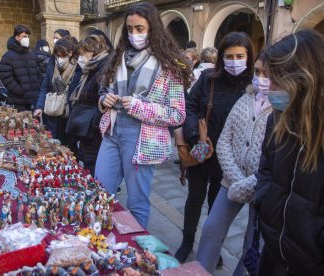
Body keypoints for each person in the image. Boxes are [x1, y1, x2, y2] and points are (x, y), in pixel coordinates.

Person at [95, 2, 190, 228]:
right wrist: (103, 101)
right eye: (129, 29)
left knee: (137, 201)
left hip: (142, 138)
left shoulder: (170, 66)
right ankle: (102, 240)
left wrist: (138, 106)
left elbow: (178, 115)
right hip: (112, 130)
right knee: (100, 191)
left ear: (153, 29)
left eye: (140, 28)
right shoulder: (118, 58)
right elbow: (104, 92)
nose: (134, 34)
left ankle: (135, 255)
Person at [176, 32, 254, 264]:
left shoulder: (253, 84)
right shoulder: (209, 77)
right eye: (229, 56)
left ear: (248, 57)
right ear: (221, 57)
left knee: (216, 204)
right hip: (201, 150)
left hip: (229, 158)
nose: (234, 61)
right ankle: (187, 242)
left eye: (240, 55)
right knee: (194, 198)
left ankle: (212, 247)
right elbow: (189, 106)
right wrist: (193, 136)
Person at [254, 29, 324, 276]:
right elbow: (266, 168)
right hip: (273, 252)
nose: (267, 86)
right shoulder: (279, 118)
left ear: (303, 79)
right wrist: (263, 201)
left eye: (275, 78)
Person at [195, 52, 272, 275]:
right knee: (211, 229)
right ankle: (200, 270)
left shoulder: (282, 108)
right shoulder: (244, 100)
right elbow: (223, 142)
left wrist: (251, 184)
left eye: (267, 73)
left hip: (262, 188)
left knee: (253, 243)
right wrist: (237, 179)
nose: (261, 78)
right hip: (232, 180)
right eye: (257, 72)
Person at [66, 34, 111, 175]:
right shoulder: (92, 68)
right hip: (88, 127)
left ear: (92, 51)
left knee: (92, 164)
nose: (81, 58)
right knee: (87, 160)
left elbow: (104, 100)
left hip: (93, 129)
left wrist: (93, 124)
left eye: (83, 54)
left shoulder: (104, 69)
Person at [34, 36, 82, 146]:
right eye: (57, 55)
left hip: (68, 115)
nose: (59, 58)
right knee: (53, 144)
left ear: (70, 53)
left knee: (69, 147)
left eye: (62, 55)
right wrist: (39, 107)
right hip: (51, 113)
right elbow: (45, 87)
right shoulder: (52, 65)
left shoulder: (78, 68)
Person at [0, 24, 40, 112]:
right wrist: (20, 91)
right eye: (24, 36)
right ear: (17, 37)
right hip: (19, 101)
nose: (27, 39)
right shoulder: (8, 56)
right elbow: (6, 77)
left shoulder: (31, 54)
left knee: (35, 124)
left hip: (33, 99)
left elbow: (36, 73)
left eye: (28, 36)